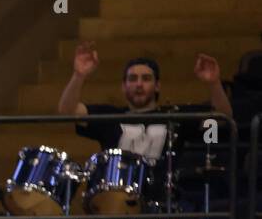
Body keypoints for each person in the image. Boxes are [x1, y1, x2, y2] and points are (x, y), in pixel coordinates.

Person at [59, 44, 233, 164]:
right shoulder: (109, 116)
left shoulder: (175, 116)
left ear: (157, 85)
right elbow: (67, 112)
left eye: (146, 79)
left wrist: (214, 83)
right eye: (132, 79)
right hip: (114, 200)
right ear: (123, 86)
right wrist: (78, 75)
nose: (139, 84)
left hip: (163, 203)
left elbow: (222, 118)